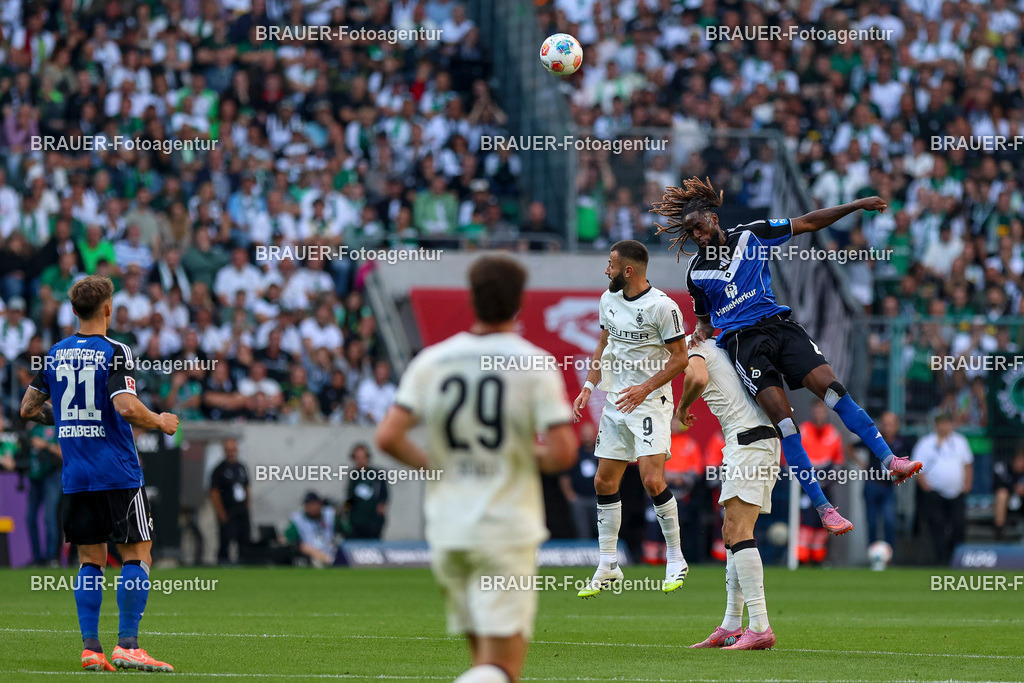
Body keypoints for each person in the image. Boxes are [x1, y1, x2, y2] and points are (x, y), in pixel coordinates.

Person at [651, 177, 923, 535]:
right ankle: (825, 509)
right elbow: (704, 320)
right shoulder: (696, 273)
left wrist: (854, 206)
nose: (697, 236)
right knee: (785, 422)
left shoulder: (753, 234)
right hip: (744, 344)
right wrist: (698, 337)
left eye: (698, 227)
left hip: (780, 328)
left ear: (714, 219)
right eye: (690, 232)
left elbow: (807, 222)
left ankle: (890, 460)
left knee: (834, 392)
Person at [375, 255, 577, 683]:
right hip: (503, 529)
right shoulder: (534, 363)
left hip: (449, 530)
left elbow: (388, 436)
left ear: (473, 299)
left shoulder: (433, 361)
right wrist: (517, 455)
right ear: (519, 303)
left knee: (483, 663)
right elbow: (562, 453)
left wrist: (439, 465)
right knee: (502, 669)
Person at [20, 275, 178, 672]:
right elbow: (125, 406)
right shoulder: (115, 350)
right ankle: (128, 644)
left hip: (76, 475)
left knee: (90, 560)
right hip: (118, 472)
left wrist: (68, 418)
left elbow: (28, 408)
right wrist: (160, 420)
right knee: (138, 552)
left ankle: (91, 648)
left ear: (74, 310)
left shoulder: (55, 353)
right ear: (107, 308)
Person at [571, 240, 690, 597]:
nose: (605, 270)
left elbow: (681, 358)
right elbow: (603, 346)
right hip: (615, 402)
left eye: (610, 264)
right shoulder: (608, 300)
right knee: (604, 482)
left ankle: (676, 558)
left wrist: (644, 388)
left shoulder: (662, 307)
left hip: (651, 401)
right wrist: (589, 387)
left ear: (628, 270)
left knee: (652, 480)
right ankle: (608, 564)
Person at [676, 335, 780, 650]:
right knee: (730, 530)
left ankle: (760, 625)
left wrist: (683, 407)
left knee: (739, 529)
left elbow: (697, 376)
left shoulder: (695, 350)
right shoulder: (720, 347)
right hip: (753, 439)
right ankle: (732, 624)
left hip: (749, 441)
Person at [913, 413, 973, 565]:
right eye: (942, 424)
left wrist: (967, 484)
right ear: (936, 425)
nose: (946, 427)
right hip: (935, 493)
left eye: (948, 423)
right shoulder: (926, 443)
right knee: (937, 526)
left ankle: (956, 557)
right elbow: (917, 468)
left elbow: (967, 464)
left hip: (957, 492)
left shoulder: (960, 441)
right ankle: (941, 559)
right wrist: (926, 487)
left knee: (958, 524)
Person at [797, 400, 845, 564]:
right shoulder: (803, 430)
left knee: (824, 520)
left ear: (826, 413)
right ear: (812, 412)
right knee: (806, 519)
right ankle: (801, 558)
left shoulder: (834, 434)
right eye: (816, 411)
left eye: (821, 411)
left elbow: (838, 461)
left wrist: (830, 477)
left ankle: (818, 558)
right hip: (806, 481)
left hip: (826, 482)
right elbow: (794, 458)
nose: (819, 414)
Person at [858, 411, 909, 549]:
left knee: (890, 521)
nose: (888, 428)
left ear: (897, 425)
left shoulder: (901, 442)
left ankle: (889, 554)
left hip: (888, 487)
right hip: (872, 484)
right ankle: (872, 553)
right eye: (885, 424)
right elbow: (851, 447)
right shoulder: (873, 438)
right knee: (872, 522)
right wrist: (861, 463)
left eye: (891, 424)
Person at [25, 420, 63, 566]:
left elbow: (63, 453)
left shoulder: (57, 425)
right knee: (30, 517)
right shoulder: (32, 427)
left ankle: (51, 557)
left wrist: (45, 445)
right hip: (35, 476)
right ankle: (36, 558)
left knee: (50, 516)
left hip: (52, 474)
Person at [209, 438, 251, 564]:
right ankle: (222, 564)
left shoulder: (241, 467)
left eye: (233, 449)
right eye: (228, 450)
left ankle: (244, 564)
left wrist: (247, 506)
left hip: (241, 511)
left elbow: (247, 487)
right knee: (225, 541)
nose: (231, 452)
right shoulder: (219, 469)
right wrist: (221, 513)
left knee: (244, 541)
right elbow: (214, 493)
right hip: (228, 511)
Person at [559, 422, 599, 539]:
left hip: (598, 498)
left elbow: (613, 473)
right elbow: (564, 475)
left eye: (590, 435)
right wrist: (570, 495)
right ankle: (584, 554)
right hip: (579, 499)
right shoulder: (575, 454)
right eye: (585, 435)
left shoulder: (601, 453)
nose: (587, 437)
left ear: (594, 435)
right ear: (581, 436)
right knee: (582, 530)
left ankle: (604, 554)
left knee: (602, 529)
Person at [284, 491, 342, 568]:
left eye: (313, 504)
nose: (311, 508)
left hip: (331, 550)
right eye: (308, 505)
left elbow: (344, 532)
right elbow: (291, 540)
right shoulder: (298, 519)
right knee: (304, 547)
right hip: (310, 554)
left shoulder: (330, 515)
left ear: (319, 504)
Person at [342, 443, 388, 539]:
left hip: (372, 522)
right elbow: (349, 496)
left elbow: (384, 496)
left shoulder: (377, 474)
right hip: (356, 522)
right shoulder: (353, 475)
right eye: (357, 457)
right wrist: (345, 511)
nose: (360, 460)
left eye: (363, 457)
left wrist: (380, 511)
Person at [993, 446, 1024, 540]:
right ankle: (999, 533)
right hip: (1007, 502)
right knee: (1001, 494)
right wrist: (1014, 488)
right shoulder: (1003, 468)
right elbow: (996, 485)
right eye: (1020, 459)